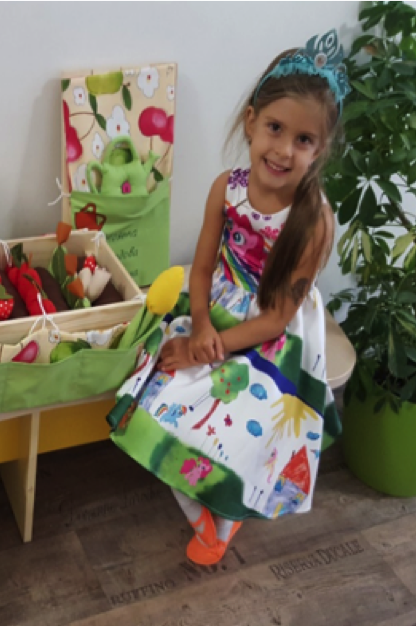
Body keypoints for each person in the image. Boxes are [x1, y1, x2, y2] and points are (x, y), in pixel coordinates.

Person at [108, 30, 348, 566]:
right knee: (157, 402)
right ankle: (210, 520)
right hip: (214, 308)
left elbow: (275, 321)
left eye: (304, 140)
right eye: (275, 128)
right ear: (251, 121)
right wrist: (198, 327)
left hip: (271, 334)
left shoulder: (313, 223)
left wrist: (207, 349)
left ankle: (226, 514)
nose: (284, 149)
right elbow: (199, 268)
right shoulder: (227, 187)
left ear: (320, 149)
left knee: (236, 427)